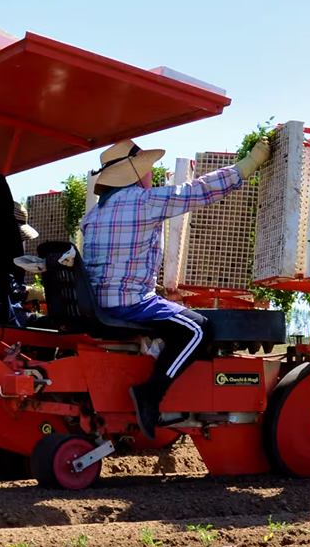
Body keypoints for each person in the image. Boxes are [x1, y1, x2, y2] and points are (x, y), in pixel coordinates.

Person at [81, 137, 271, 440]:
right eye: (147, 169)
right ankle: (150, 395)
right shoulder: (143, 201)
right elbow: (197, 192)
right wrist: (246, 167)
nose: (151, 175)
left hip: (95, 304)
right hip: (130, 302)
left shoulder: (92, 215)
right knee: (198, 330)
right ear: (132, 174)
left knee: (175, 323)